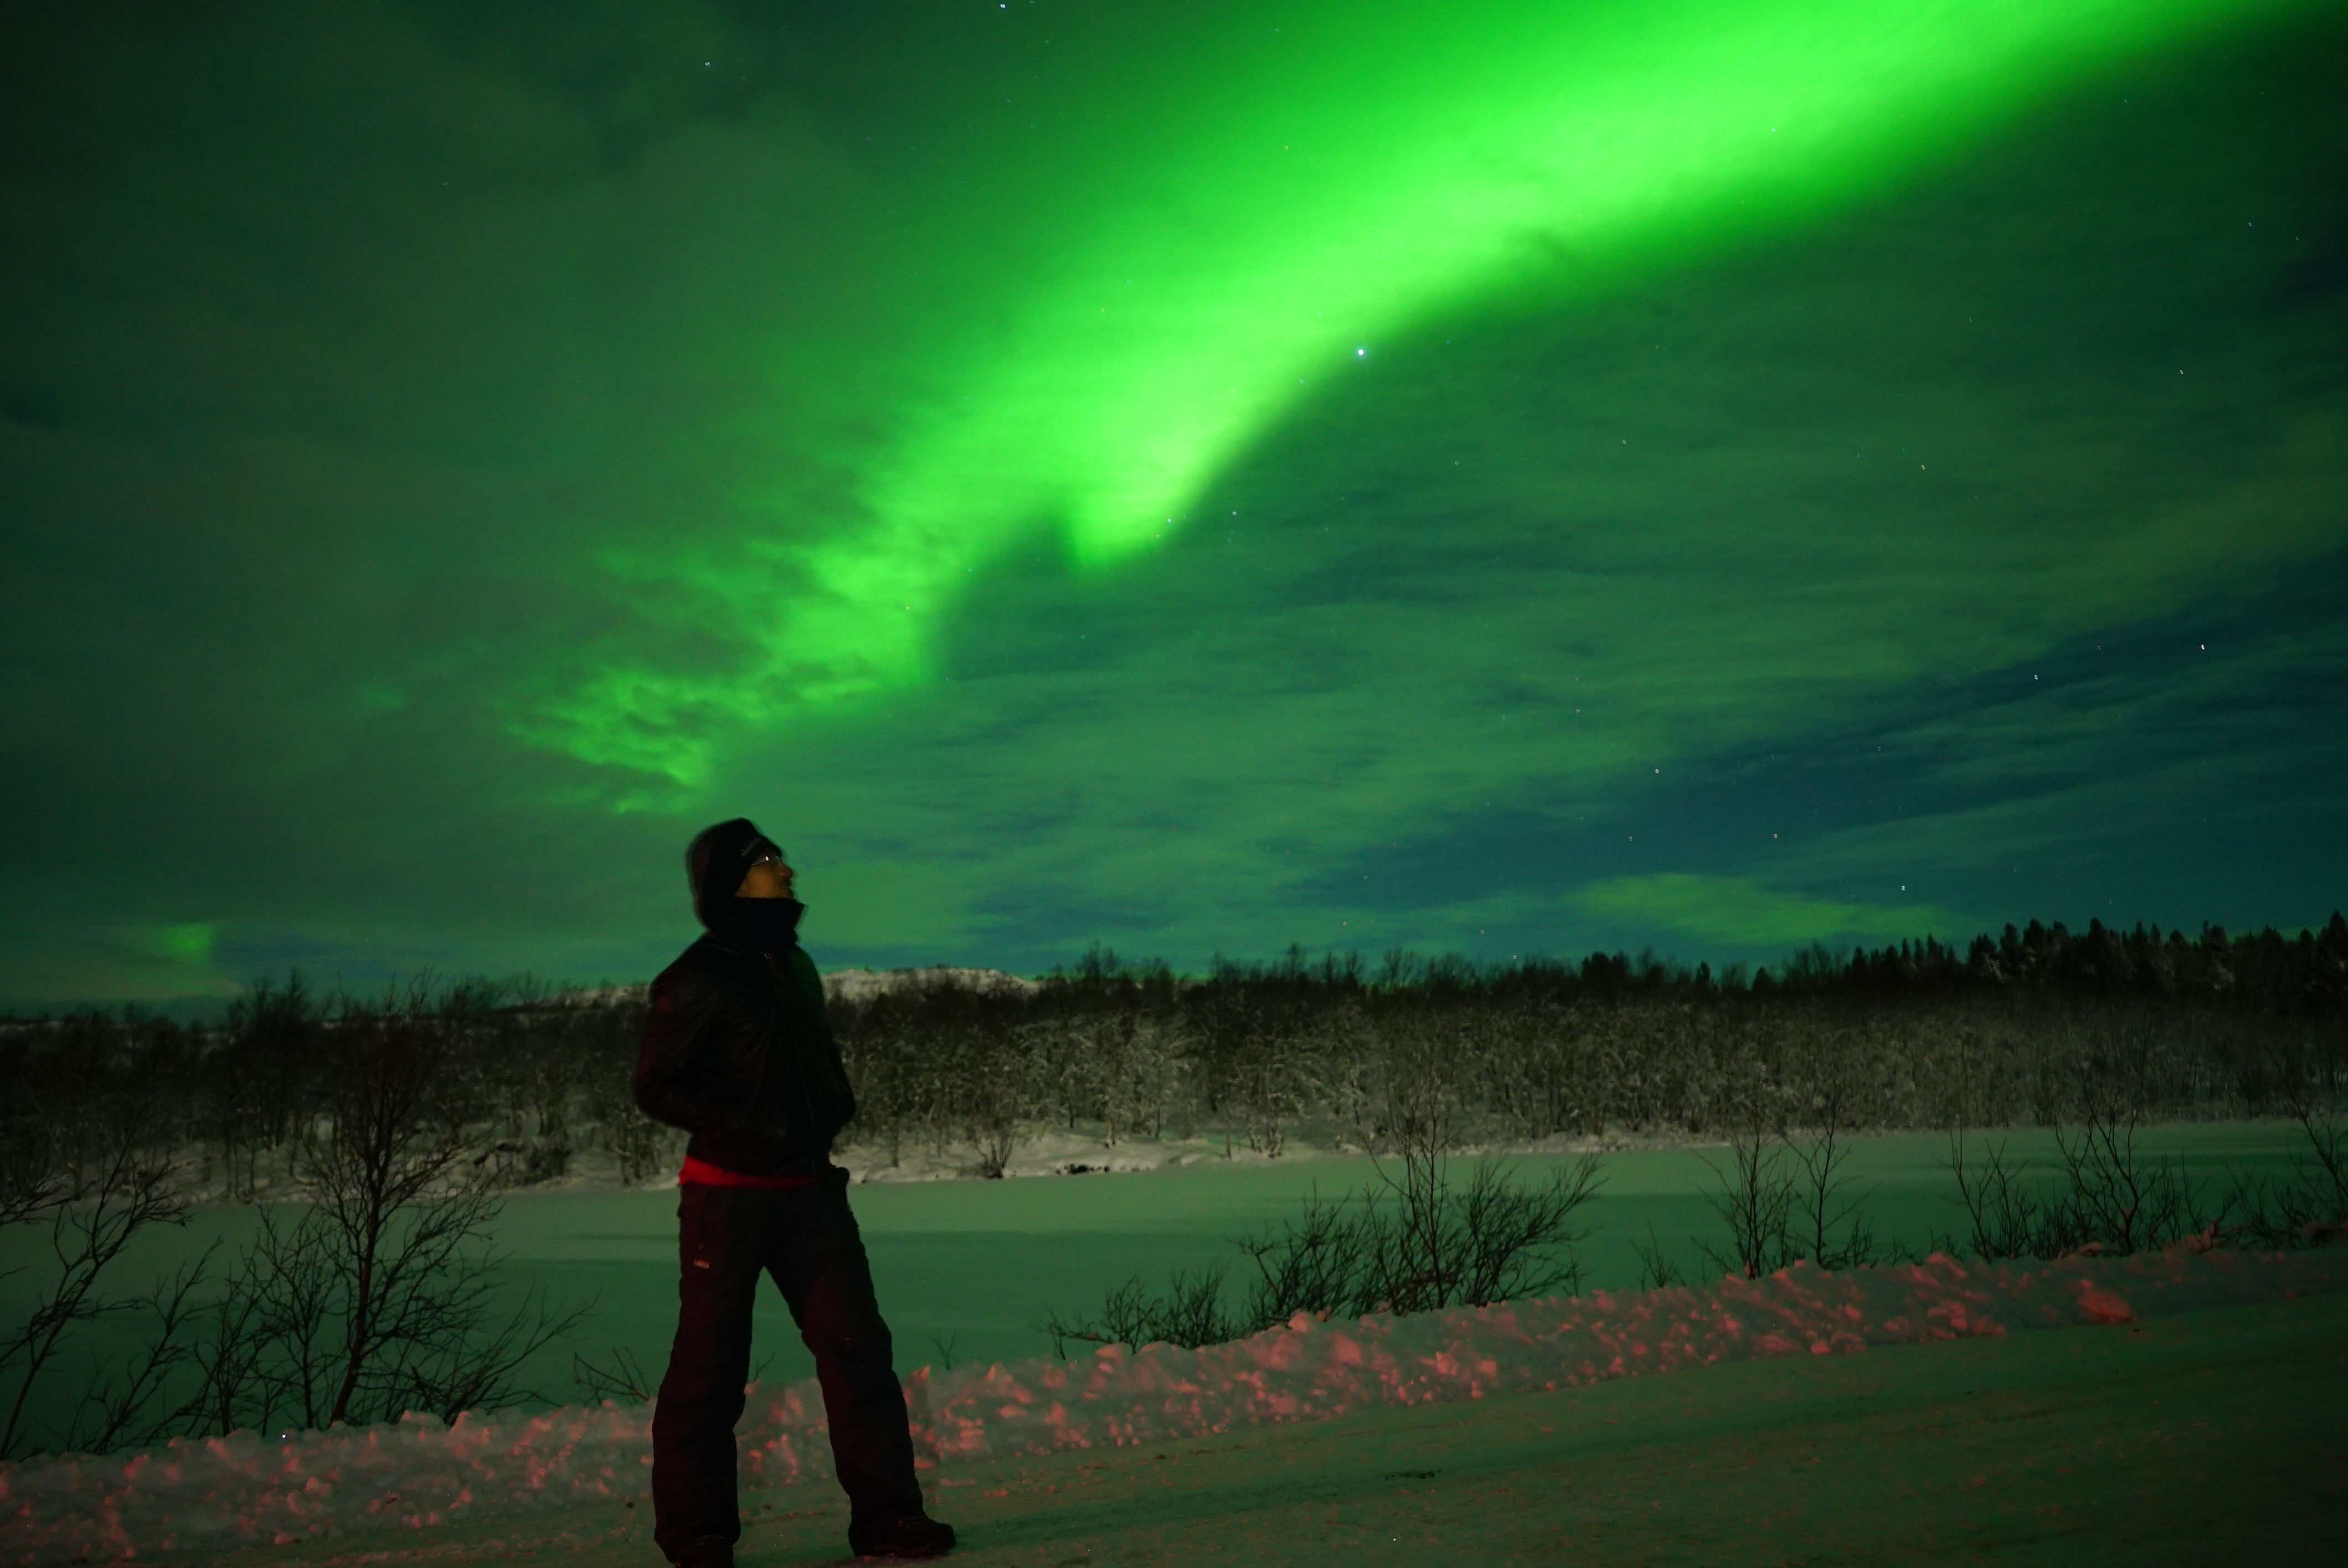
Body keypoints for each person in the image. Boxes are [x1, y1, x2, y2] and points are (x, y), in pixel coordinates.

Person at [635, 818, 955, 1564]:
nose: (789, 872)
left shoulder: (796, 965)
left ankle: (887, 1519)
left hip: (811, 1193)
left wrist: (833, 1105)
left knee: (858, 1352)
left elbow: (813, 1060)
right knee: (709, 1369)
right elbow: (656, 1084)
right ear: (732, 883)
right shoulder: (697, 976)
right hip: (729, 1198)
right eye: (771, 862)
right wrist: (749, 1127)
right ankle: (697, 1536)